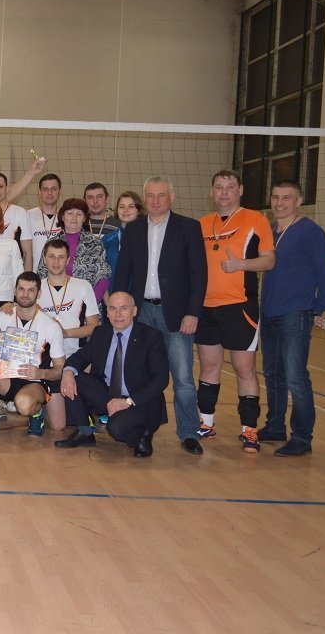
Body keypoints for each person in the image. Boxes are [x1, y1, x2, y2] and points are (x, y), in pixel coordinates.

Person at [113, 175, 207, 455]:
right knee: (140, 377)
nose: (155, 201)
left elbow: (199, 275)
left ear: (171, 197)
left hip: (176, 314)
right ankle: (144, 429)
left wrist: (192, 313)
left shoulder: (189, 228)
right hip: (141, 312)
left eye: (161, 195)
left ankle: (189, 432)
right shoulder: (134, 229)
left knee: (183, 378)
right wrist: (120, 309)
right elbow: (124, 270)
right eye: (150, 196)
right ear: (145, 199)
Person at [195, 169, 275, 453]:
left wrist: (241, 265)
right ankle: (206, 423)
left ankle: (249, 430)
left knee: (244, 369)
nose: (224, 193)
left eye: (230, 187)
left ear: (240, 190)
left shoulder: (255, 219)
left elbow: (269, 261)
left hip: (240, 306)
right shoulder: (201, 224)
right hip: (206, 308)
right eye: (219, 187)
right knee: (209, 367)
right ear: (211, 191)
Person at [259, 180, 325, 457]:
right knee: (273, 374)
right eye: (275, 197)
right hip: (268, 312)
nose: (279, 203)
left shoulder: (310, 232)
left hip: (295, 312)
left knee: (295, 376)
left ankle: (302, 437)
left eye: (286, 197)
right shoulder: (269, 230)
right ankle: (275, 426)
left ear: (299, 201)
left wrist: (320, 308)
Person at [56, 292, 169, 458]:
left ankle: (144, 434)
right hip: (109, 393)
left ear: (134, 311)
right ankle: (85, 431)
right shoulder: (101, 333)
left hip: (138, 399)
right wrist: (67, 372)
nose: (118, 314)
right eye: (112, 309)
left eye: (124, 308)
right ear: (107, 312)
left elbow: (160, 380)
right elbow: (79, 357)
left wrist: (128, 401)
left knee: (116, 429)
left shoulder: (151, 337)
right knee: (74, 378)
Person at [0, 272, 65, 437]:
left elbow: (60, 369)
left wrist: (41, 373)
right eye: (21, 289)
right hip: (5, 378)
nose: (25, 294)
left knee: (25, 406)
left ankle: (37, 413)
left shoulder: (50, 326)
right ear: (15, 291)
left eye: (31, 290)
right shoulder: (2, 315)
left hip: (34, 381)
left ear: (39, 293)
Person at [35, 239, 100, 435]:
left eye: (61, 257)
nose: (56, 262)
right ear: (44, 259)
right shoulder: (35, 288)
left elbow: (94, 326)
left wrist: (65, 333)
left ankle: (88, 409)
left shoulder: (83, 286)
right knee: (58, 425)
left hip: (75, 355)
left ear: (68, 260)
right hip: (46, 359)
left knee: (91, 370)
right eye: (51, 257)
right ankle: (41, 405)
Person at [37, 198, 111, 304]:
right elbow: (42, 274)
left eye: (79, 214)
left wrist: (88, 304)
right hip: (53, 303)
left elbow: (104, 278)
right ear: (63, 216)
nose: (74, 218)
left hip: (86, 303)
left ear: (84, 218)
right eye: (70, 213)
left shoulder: (96, 244)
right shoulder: (51, 243)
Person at [25, 168, 63, 271]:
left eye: (54, 189)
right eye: (45, 189)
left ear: (60, 191)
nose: (49, 193)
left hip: (60, 275)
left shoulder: (67, 217)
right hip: (34, 276)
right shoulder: (27, 216)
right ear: (39, 192)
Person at [103, 190, 145, 278]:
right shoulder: (107, 239)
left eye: (131, 206)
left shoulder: (146, 239)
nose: (125, 210)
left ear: (139, 210)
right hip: (113, 286)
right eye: (122, 207)